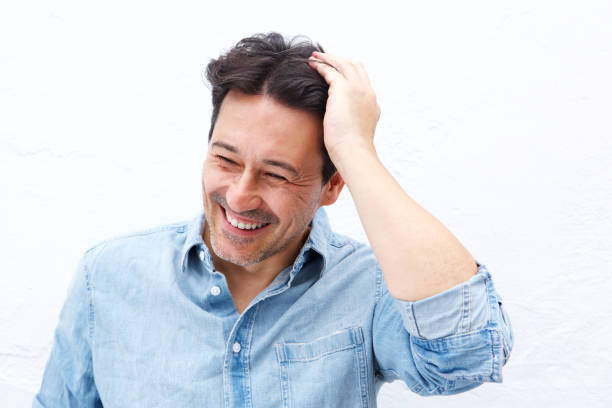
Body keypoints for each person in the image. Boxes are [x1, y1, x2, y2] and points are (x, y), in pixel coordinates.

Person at [33, 32, 514, 407]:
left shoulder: (367, 286)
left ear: (332, 186)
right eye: (225, 160)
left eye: (277, 175)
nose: (239, 197)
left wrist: (356, 150)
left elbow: (466, 356)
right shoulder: (108, 274)